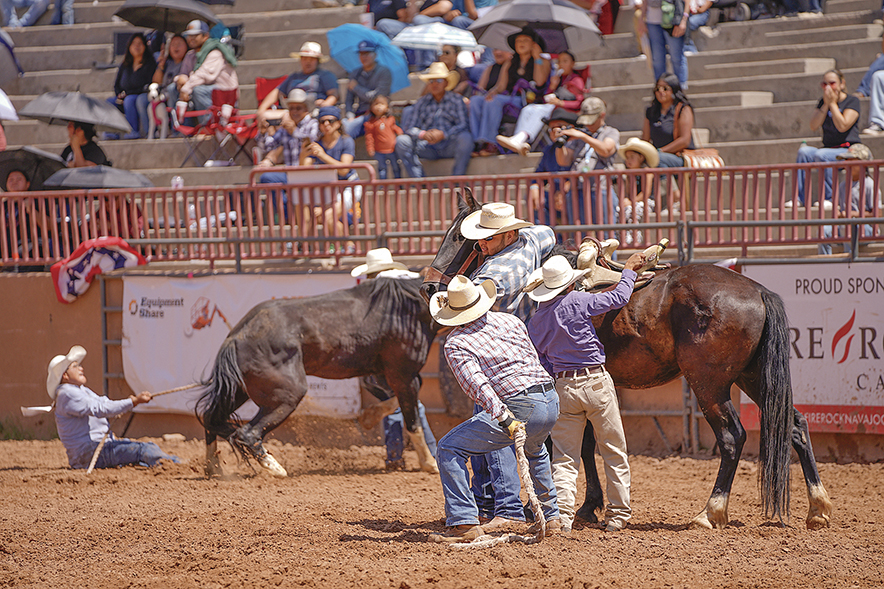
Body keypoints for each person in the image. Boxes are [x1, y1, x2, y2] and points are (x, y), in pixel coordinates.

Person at [428, 275, 562, 542]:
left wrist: (503, 417)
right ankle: (552, 517)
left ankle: (464, 523)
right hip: (549, 398)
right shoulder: (510, 320)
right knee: (536, 451)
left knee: (449, 448)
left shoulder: (457, 343)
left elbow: (478, 386)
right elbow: (530, 358)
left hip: (521, 405)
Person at [525, 252, 644, 533]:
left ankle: (563, 517)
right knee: (614, 450)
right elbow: (618, 298)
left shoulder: (535, 323)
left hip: (563, 387)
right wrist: (628, 271)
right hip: (595, 382)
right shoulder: (578, 301)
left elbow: (542, 361)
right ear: (568, 284)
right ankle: (617, 515)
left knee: (564, 458)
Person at [460, 202, 557, 529]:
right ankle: (546, 512)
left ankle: (504, 509)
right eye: (481, 238)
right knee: (534, 446)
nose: (481, 245)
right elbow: (548, 233)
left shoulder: (494, 274)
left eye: (488, 238)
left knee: (492, 433)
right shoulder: (533, 239)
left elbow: (472, 307)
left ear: (510, 233)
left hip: (496, 359)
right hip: (525, 355)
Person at [351, 248, 438, 470]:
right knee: (408, 403)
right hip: (399, 358)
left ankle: (396, 457)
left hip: (374, 362)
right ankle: (429, 455)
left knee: (403, 404)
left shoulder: (375, 288)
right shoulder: (406, 284)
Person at [47, 345, 180, 470]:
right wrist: (133, 402)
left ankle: (171, 463)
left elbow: (103, 404)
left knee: (138, 450)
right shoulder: (68, 393)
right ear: (65, 375)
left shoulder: (77, 391)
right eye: (75, 366)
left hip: (89, 452)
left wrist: (130, 402)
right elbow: (101, 408)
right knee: (142, 449)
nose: (81, 368)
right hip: (89, 453)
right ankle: (176, 465)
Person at [469, 26, 551, 156]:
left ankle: (490, 143)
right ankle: (476, 142)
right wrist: (493, 91)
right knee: (476, 101)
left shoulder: (542, 61)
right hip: (508, 97)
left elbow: (540, 82)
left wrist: (537, 58)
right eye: (518, 41)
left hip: (527, 99)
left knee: (494, 102)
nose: (521, 44)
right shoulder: (510, 62)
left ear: (533, 44)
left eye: (525, 40)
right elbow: (501, 86)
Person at [497, 50, 587, 157]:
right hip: (553, 109)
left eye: (565, 61)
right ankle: (518, 139)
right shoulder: (559, 79)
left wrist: (560, 103)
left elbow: (579, 103)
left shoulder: (576, 80)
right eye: (559, 61)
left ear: (572, 64)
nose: (561, 64)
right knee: (529, 108)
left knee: (539, 111)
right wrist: (552, 87)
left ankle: (520, 139)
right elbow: (546, 99)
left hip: (567, 112)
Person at [794, 69, 860, 207]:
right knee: (804, 152)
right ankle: (800, 198)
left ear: (842, 84)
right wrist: (825, 104)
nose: (828, 87)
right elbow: (813, 125)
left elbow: (843, 125)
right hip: (828, 149)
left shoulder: (852, 101)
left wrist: (833, 104)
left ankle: (829, 198)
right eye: (824, 84)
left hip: (847, 149)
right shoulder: (822, 102)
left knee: (821, 155)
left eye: (832, 83)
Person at [395, 62, 473, 178]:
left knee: (465, 138)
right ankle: (419, 181)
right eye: (431, 81)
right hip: (427, 146)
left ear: (446, 82)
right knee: (402, 141)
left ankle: (457, 179)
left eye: (439, 81)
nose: (435, 84)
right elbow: (409, 128)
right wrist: (423, 134)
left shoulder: (456, 100)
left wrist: (443, 134)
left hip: (449, 144)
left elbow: (463, 125)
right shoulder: (422, 102)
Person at [301, 106, 360, 253]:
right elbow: (304, 168)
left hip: (349, 186)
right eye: (322, 122)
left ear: (338, 123)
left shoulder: (346, 141)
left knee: (328, 216)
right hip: (329, 188)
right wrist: (303, 153)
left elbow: (344, 169)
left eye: (330, 121)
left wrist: (322, 156)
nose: (326, 125)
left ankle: (343, 247)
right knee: (323, 217)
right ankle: (348, 244)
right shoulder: (318, 144)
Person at [255, 88, 320, 222]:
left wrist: (294, 131)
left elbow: (311, 143)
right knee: (267, 178)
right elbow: (267, 146)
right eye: (291, 108)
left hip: (308, 172)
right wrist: (262, 132)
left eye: (298, 108)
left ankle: (290, 215)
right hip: (290, 172)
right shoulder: (286, 126)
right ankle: (286, 216)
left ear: (306, 109)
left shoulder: (313, 123)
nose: (294, 112)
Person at [558, 97, 621, 225]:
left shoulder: (610, 132)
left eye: (591, 120)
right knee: (579, 233)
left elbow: (606, 150)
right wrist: (558, 144)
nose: (587, 124)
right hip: (577, 188)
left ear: (602, 115)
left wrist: (583, 137)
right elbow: (563, 161)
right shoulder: (578, 134)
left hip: (600, 188)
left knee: (606, 232)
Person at [257, 41, 339, 128]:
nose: (308, 62)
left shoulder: (325, 75)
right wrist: (261, 109)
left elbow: (334, 95)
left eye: (311, 59)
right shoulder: (293, 77)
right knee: (264, 115)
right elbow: (277, 92)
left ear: (317, 61)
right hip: (292, 110)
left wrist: (324, 105)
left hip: (312, 111)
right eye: (305, 58)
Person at [818, 143, 881, 256]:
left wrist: (854, 214)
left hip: (867, 229)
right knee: (824, 230)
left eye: (851, 160)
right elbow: (840, 209)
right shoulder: (843, 185)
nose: (847, 164)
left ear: (863, 163)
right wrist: (838, 214)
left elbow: (877, 213)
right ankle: (825, 263)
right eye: (846, 160)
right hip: (846, 226)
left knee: (848, 226)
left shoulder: (869, 185)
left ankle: (849, 260)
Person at [525, 108, 584, 226]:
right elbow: (538, 175)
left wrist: (566, 189)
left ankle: (576, 238)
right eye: (552, 128)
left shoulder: (580, 145)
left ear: (571, 128)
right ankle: (546, 235)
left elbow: (585, 169)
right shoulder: (548, 150)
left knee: (570, 197)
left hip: (577, 194)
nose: (555, 131)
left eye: (560, 126)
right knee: (535, 197)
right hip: (556, 195)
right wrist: (535, 187)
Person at [178, 20, 240, 125]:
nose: (191, 38)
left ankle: (211, 124)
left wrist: (186, 87)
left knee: (197, 90)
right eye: (189, 36)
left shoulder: (215, 52)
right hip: (205, 88)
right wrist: (181, 79)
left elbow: (204, 75)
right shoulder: (190, 55)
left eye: (195, 35)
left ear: (205, 36)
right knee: (173, 89)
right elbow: (184, 73)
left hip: (224, 91)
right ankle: (181, 129)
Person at [107, 33, 157, 140]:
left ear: (145, 46)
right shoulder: (125, 65)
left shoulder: (150, 64)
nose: (136, 46)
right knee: (109, 102)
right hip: (124, 98)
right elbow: (117, 85)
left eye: (140, 44)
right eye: (134, 44)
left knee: (130, 100)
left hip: (140, 96)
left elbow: (147, 85)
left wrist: (127, 95)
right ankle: (111, 132)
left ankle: (132, 131)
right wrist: (119, 95)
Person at [642, 73, 694, 168]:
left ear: (673, 90)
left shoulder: (683, 109)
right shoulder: (651, 111)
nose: (661, 92)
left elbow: (685, 140)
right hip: (658, 155)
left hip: (679, 156)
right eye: (657, 89)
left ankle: (665, 183)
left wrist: (660, 151)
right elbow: (645, 139)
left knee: (657, 159)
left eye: (665, 88)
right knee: (633, 159)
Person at [343, 40, 393, 139]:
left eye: (367, 53)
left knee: (347, 129)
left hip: (377, 113)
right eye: (361, 54)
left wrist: (356, 87)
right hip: (360, 113)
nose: (363, 57)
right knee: (342, 125)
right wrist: (350, 115)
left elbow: (376, 98)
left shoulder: (384, 72)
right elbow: (349, 99)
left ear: (375, 55)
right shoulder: (355, 73)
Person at [617, 137, 660, 245]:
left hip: (647, 201)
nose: (628, 160)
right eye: (627, 158)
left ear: (641, 157)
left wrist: (632, 201)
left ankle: (635, 238)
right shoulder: (628, 174)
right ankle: (621, 237)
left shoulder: (647, 172)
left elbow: (646, 193)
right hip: (634, 201)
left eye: (632, 157)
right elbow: (628, 192)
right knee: (620, 209)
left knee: (633, 210)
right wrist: (627, 200)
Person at [637, 0, 688, 88]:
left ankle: (681, 88)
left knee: (676, 57)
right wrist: (642, 17)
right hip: (652, 21)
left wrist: (684, 19)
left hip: (672, 19)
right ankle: (660, 89)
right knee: (657, 59)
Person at [363, 95, 402, 179]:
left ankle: (399, 185)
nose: (379, 106)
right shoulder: (370, 123)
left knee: (395, 167)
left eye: (382, 104)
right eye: (376, 104)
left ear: (387, 107)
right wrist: (370, 148)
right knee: (382, 169)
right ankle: (383, 186)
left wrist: (400, 133)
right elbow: (369, 137)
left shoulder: (391, 119)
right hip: (379, 151)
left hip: (392, 149)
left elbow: (395, 128)